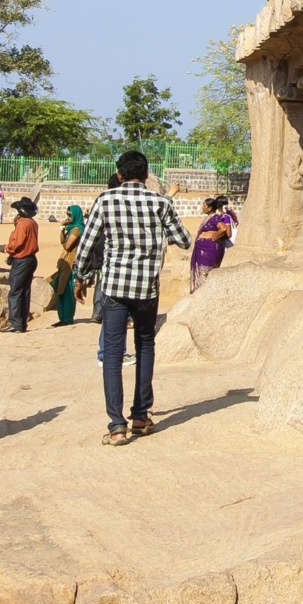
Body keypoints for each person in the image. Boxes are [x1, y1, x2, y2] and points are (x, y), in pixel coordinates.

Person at [85, 149, 189, 445]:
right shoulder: (160, 203)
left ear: (119, 175)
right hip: (146, 288)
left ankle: (117, 426)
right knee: (145, 345)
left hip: (114, 287)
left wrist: (81, 276)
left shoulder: (105, 200)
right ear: (146, 176)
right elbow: (184, 240)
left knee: (113, 353)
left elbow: (89, 242)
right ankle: (141, 415)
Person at [1, 197, 41, 331]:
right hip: (30, 259)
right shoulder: (32, 223)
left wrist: (6, 248)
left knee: (15, 292)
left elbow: (17, 243)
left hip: (22, 260)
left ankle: (15, 323)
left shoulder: (23, 223)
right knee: (25, 292)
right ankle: (22, 322)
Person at [47, 201, 86, 327]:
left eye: (70, 215)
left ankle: (67, 317)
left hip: (72, 263)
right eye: (67, 215)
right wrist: (62, 228)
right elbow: (62, 241)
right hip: (65, 261)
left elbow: (68, 245)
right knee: (61, 289)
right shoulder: (70, 228)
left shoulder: (77, 229)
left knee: (68, 290)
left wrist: (65, 241)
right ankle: (62, 317)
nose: (68, 217)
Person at [189, 194, 235, 295]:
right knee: (202, 274)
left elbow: (223, 229)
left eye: (204, 206)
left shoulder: (215, 218)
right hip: (203, 249)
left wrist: (214, 237)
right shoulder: (210, 218)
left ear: (210, 208)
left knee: (205, 274)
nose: (202, 208)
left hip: (208, 250)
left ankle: (205, 294)